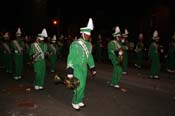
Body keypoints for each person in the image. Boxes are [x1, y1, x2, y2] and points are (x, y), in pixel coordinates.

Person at [66, 18, 96, 111]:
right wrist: (70, 71)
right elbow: (70, 58)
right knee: (79, 85)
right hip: (76, 68)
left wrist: (92, 67)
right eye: (86, 35)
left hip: (84, 68)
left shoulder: (89, 45)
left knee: (83, 85)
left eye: (89, 35)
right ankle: (74, 101)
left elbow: (89, 57)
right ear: (82, 34)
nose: (87, 37)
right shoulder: (75, 44)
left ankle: (79, 100)